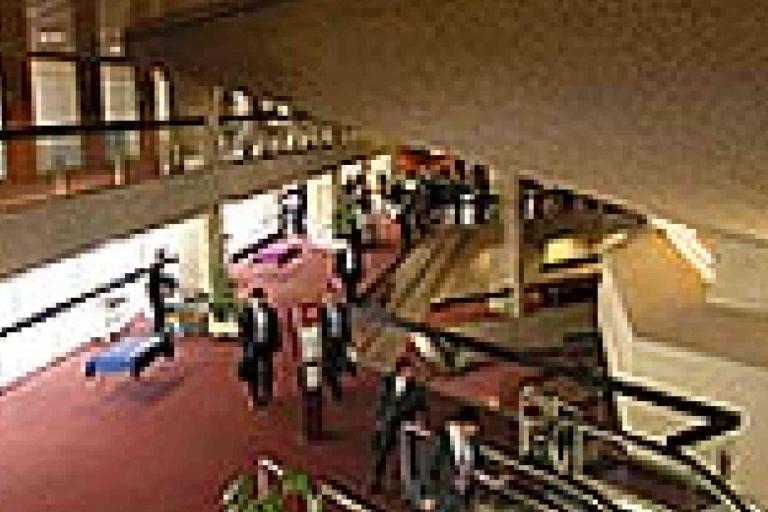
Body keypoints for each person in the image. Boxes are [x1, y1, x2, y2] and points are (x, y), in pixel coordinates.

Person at [370, 352, 428, 494]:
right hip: (387, 424)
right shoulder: (387, 382)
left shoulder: (417, 389)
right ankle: (376, 481)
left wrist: (420, 423)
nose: (412, 373)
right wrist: (379, 421)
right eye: (410, 370)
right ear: (401, 370)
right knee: (381, 455)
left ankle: (397, 485)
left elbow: (422, 408)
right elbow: (381, 402)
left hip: (404, 427)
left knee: (402, 458)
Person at [423, 407, 486, 512]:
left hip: (462, 495)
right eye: (472, 426)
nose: (475, 430)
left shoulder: (473, 446)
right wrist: (429, 495)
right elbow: (430, 468)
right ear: (463, 424)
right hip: (443, 494)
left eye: (475, 427)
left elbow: (478, 466)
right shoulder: (442, 441)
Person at [238, 288, 280, 408]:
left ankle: (267, 394)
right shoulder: (246, 313)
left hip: (266, 345)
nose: (257, 301)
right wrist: (245, 344)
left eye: (260, 298)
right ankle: (254, 396)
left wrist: (276, 344)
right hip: (252, 345)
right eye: (255, 298)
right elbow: (242, 329)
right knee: (252, 372)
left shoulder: (271, 312)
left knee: (267, 370)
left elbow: (276, 329)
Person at [320, 292, 354, 401]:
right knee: (330, 367)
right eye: (329, 299)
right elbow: (321, 330)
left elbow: (347, 326)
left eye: (334, 298)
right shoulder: (322, 312)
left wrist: (348, 340)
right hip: (328, 343)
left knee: (338, 363)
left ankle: (337, 378)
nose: (332, 300)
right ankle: (335, 388)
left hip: (340, 341)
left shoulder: (343, 310)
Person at [147, 248, 176, 355]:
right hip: (157, 298)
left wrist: (170, 286)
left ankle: (163, 342)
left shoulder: (157, 267)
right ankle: (163, 343)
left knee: (160, 320)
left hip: (158, 298)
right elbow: (154, 284)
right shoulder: (155, 268)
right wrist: (170, 285)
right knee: (160, 320)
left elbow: (163, 281)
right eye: (161, 257)